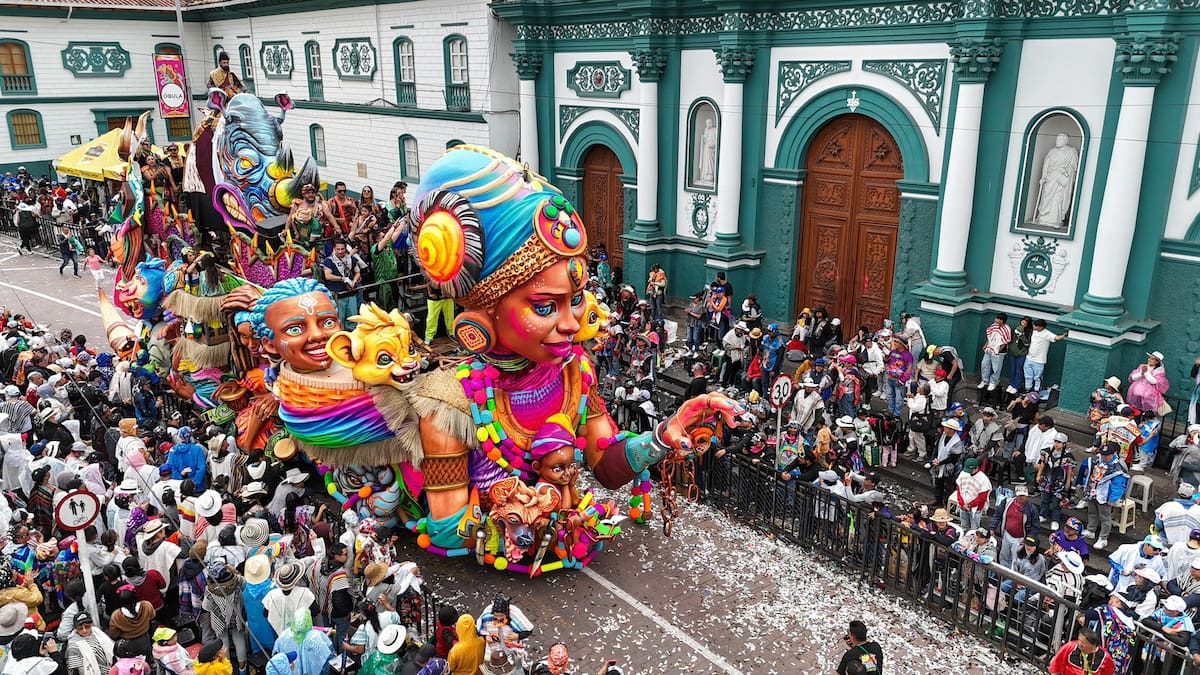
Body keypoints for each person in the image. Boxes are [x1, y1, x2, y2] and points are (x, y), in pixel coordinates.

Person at [1084, 441, 1130, 551]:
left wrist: (1112, 499)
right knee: (1092, 513)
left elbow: (1118, 486)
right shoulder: (1098, 461)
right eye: (1102, 454)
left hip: (1105, 496)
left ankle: (1103, 538)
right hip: (1093, 492)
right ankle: (1091, 530)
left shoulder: (1118, 468)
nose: (1104, 457)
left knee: (1105, 518)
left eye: (1106, 455)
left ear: (1113, 454)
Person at [990, 484, 1040, 568]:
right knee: (1004, 556)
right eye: (1020, 496)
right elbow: (997, 515)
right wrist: (992, 527)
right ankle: (1003, 573)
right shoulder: (1006, 502)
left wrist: (1027, 540)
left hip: (1020, 538)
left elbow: (1035, 526)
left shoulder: (1031, 509)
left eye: (1024, 496)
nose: (1022, 498)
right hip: (1007, 534)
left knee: (1016, 559)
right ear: (1015, 495)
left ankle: (1012, 576)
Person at [321, 240, 361, 328]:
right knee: (339, 319)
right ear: (334, 249)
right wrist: (342, 279)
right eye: (338, 249)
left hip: (351, 293)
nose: (340, 251)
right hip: (337, 295)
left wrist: (354, 280)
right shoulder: (329, 261)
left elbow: (357, 272)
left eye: (342, 249)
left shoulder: (351, 259)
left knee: (352, 318)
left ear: (345, 248)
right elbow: (328, 276)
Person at [1025, 319, 1067, 398]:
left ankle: (1036, 391)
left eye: (1036, 326)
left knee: (1037, 377)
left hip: (1039, 361)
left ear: (1041, 327)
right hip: (1029, 358)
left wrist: (1064, 335)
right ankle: (1027, 389)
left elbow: (1057, 338)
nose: (1034, 327)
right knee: (1028, 375)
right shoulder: (1033, 331)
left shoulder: (1047, 333)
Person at [1048, 627, 1115, 675]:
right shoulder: (1070, 646)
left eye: (1083, 642)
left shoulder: (1105, 657)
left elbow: (1108, 672)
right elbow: (1056, 665)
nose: (1079, 643)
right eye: (1079, 640)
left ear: (1092, 644)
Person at [1127, 350, 1169, 416]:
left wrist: (1146, 373)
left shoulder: (1159, 371)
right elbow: (1132, 377)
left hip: (1149, 396)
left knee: (1146, 413)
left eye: (1152, 359)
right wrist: (1141, 373)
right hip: (1136, 394)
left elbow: (1154, 381)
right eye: (1149, 358)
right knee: (1134, 411)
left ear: (1157, 362)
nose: (1149, 360)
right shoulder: (1142, 366)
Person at [954, 458, 991, 532]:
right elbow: (959, 489)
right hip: (963, 507)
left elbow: (982, 497)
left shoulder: (984, 479)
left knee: (974, 530)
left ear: (977, 468)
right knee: (963, 526)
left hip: (976, 509)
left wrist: (970, 505)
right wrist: (962, 503)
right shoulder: (963, 473)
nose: (969, 472)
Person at [1006, 316, 1033, 394]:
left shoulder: (1029, 332)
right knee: (1012, 369)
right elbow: (1011, 340)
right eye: (1022, 322)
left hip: (1022, 353)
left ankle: (1016, 385)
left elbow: (1027, 343)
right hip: (1013, 352)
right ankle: (1011, 384)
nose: (1023, 324)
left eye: (1025, 323)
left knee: (1019, 370)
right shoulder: (1016, 329)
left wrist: (1022, 336)